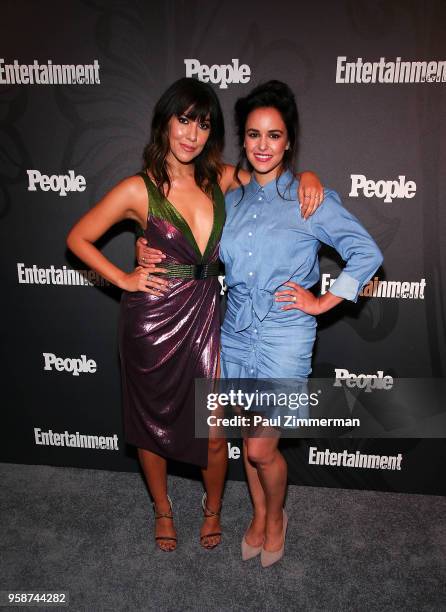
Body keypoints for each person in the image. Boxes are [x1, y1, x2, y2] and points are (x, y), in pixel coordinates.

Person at [67, 77, 323, 553]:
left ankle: (212, 509)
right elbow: (78, 237)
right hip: (150, 321)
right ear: (165, 122)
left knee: (212, 430)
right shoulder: (136, 189)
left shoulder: (221, 178)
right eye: (183, 120)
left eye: (204, 124)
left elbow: (272, 179)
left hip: (205, 317)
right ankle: (162, 510)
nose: (192, 134)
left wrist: (309, 178)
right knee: (150, 424)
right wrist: (124, 279)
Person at [217, 80, 383, 567]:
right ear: (243, 140)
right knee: (249, 438)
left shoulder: (310, 198)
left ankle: (276, 518)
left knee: (263, 447)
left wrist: (321, 302)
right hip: (236, 329)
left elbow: (366, 253)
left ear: (289, 141)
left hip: (285, 331)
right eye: (253, 135)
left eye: (274, 135)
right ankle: (257, 514)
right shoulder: (232, 198)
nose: (262, 145)